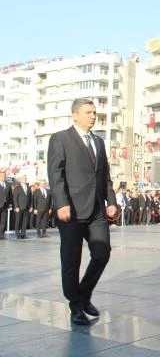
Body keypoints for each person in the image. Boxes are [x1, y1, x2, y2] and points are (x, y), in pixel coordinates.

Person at [47, 98, 118, 326]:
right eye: (88, 112)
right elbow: (55, 174)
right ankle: (76, 307)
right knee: (71, 260)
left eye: (95, 112)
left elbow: (104, 175)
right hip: (72, 210)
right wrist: (61, 203)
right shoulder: (61, 139)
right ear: (75, 115)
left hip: (97, 209)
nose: (93, 116)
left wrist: (112, 201)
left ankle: (83, 295)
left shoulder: (98, 141)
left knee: (102, 252)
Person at [13, 174, 32, 239]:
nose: (25, 180)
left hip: (27, 207)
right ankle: (17, 233)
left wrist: (31, 206)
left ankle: (23, 234)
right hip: (19, 207)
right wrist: (16, 206)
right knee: (18, 221)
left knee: (25, 221)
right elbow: (15, 198)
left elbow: (30, 198)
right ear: (21, 180)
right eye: (24, 179)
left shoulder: (28, 188)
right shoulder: (17, 187)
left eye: (26, 179)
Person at [0, 170, 13, 240]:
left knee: (3, 220)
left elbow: (10, 195)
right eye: (2, 176)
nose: (3, 177)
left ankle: (1, 234)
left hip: (5, 205)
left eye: (4, 176)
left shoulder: (8, 184)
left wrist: (10, 203)